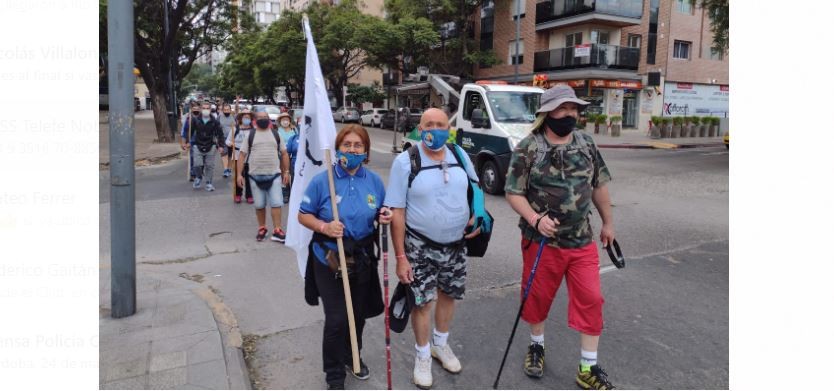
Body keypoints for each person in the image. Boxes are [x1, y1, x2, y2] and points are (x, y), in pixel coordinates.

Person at [503, 84, 616, 390]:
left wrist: (608, 223)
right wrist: (535, 219)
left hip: (581, 241)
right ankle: (536, 345)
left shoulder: (586, 143)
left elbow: (598, 185)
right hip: (541, 242)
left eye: (574, 108)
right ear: (547, 112)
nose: (570, 114)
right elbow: (513, 192)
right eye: (563, 108)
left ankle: (587, 367)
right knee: (537, 298)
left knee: (591, 299)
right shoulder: (529, 146)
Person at [384, 108, 481, 389]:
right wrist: (401, 257)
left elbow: (475, 187)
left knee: (449, 295)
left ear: (447, 129)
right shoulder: (406, 161)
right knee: (423, 302)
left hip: (455, 245)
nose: (435, 129)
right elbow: (397, 212)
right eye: (429, 124)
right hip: (419, 245)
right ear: (420, 128)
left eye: (441, 125)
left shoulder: (459, 155)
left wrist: (477, 212)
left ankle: (441, 344)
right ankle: (423, 355)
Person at [298, 124, 392, 390]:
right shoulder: (322, 180)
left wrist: (384, 216)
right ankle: (334, 374)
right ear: (338, 148)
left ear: (366, 151)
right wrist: (324, 226)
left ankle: (353, 356)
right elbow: (303, 215)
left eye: (358, 146)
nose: (352, 150)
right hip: (328, 257)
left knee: (358, 314)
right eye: (347, 145)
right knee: (338, 318)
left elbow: (380, 210)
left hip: (361, 257)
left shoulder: (373, 180)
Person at [236, 110, 290, 242]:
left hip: (274, 175)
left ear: (269, 119)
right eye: (260, 117)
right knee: (259, 205)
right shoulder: (250, 135)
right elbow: (242, 155)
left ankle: (277, 230)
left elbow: (284, 153)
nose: (263, 119)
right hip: (255, 176)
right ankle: (262, 228)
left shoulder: (276, 134)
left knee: (277, 203)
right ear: (255, 120)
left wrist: (286, 171)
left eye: (265, 117)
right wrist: (239, 174)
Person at [181, 101, 226, 191]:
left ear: (210, 109)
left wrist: (221, 146)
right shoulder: (195, 120)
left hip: (211, 145)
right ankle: (198, 177)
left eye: (207, 108)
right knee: (197, 164)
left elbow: (220, 134)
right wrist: (186, 142)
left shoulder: (214, 121)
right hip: (197, 145)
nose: (205, 110)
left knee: (209, 166)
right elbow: (188, 131)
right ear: (201, 109)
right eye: (204, 108)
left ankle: (209, 183)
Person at [227, 109, 254, 204]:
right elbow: (228, 141)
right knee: (239, 176)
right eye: (245, 117)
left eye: (248, 117)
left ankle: (249, 196)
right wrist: (231, 144)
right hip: (238, 155)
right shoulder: (235, 129)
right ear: (241, 118)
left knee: (249, 176)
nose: (246, 119)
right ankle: (238, 194)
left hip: (250, 156)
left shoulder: (253, 130)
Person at [275, 112, 298, 204]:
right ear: (280, 121)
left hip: (293, 156)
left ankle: (294, 194)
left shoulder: (295, 130)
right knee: (284, 174)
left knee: (293, 175)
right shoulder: (278, 131)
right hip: (282, 156)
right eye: (283, 120)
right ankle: (285, 194)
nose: (285, 121)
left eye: (287, 119)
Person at [181, 101, 201, 181]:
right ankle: (193, 174)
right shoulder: (189, 119)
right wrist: (183, 142)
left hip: (202, 142)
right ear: (192, 110)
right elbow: (185, 131)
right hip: (192, 141)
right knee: (193, 158)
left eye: (197, 109)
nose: (196, 110)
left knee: (200, 159)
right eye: (194, 109)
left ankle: (199, 172)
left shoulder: (203, 118)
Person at [218, 104, 237, 178]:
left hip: (232, 139)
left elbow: (237, 126)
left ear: (230, 110)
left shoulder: (234, 117)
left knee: (230, 155)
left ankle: (228, 168)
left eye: (227, 110)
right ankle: (225, 169)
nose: (226, 111)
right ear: (223, 110)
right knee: (224, 154)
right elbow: (217, 127)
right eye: (225, 110)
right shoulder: (219, 117)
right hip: (222, 138)